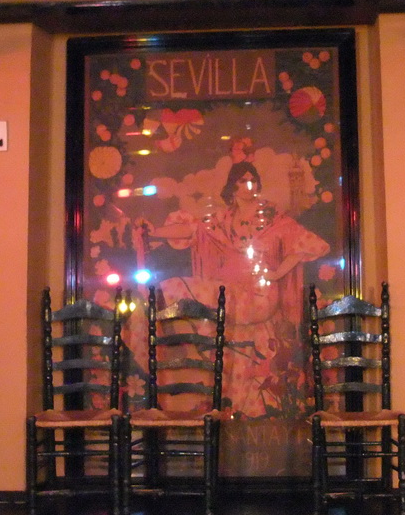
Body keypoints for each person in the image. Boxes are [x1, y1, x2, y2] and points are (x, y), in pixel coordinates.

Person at [138, 148, 329, 418]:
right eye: (241, 181)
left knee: (200, 293)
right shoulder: (222, 220)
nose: (247, 186)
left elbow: (307, 244)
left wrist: (276, 274)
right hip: (229, 292)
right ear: (233, 186)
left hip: (259, 296)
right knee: (176, 287)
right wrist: (154, 232)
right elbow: (193, 230)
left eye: (252, 181)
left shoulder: (272, 218)